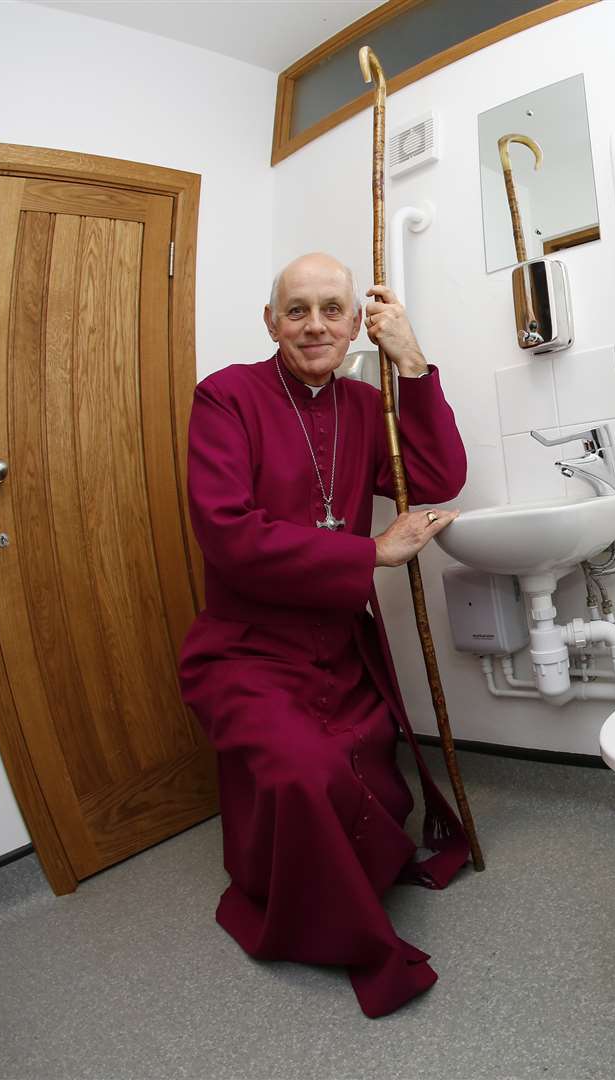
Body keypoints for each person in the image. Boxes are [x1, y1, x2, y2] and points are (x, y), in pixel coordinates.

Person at [178, 252, 467, 1018]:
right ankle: (306, 910)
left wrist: (412, 362)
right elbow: (227, 535)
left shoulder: (368, 403)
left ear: (355, 324)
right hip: (246, 648)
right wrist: (368, 551)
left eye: (332, 309)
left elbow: (435, 479)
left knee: (359, 760)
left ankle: (359, 867)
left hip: (337, 643)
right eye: (297, 309)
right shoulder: (227, 396)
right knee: (302, 771)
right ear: (271, 321)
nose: (315, 325)